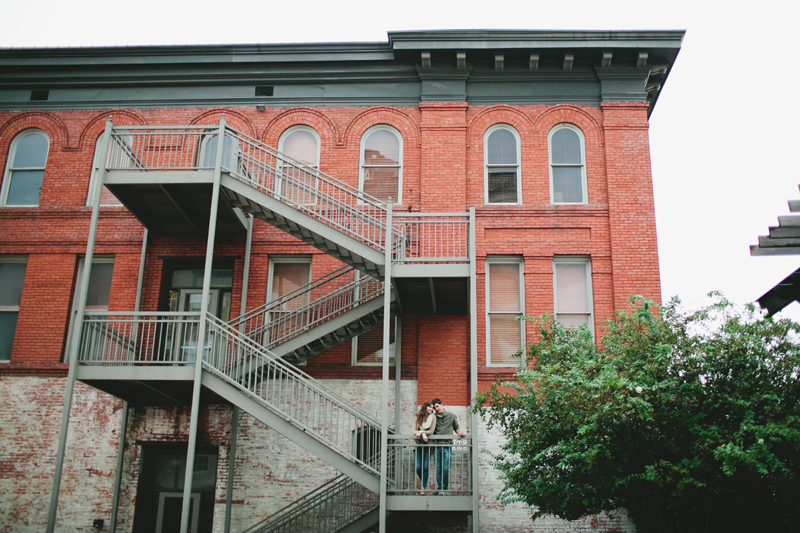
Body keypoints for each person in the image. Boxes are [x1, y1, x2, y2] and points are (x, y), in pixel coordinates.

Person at [431, 398, 466, 493]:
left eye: (437, 406)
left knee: (445, 468)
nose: (436, 409)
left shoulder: (451, 416)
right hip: (436, 446)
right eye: (434, 408)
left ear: (442, 404)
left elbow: (456, 427)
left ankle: (444, 488)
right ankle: (440, 488)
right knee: (438, 469)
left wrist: (459, 433)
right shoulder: (433, 418)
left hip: (447, 445)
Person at [412, 401, 436, 491]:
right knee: (418, 467)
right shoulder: (417, 416)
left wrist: (422, 433)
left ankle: (422, 487)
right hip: (417, 445)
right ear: (425, 407)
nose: (431, 409)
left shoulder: (433, 417)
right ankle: (423, 482)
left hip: (427, 445)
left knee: (425, 466)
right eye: (429, 407)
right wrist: (422, 435)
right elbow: (414, 431)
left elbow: (431, 431)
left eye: (432, 408)